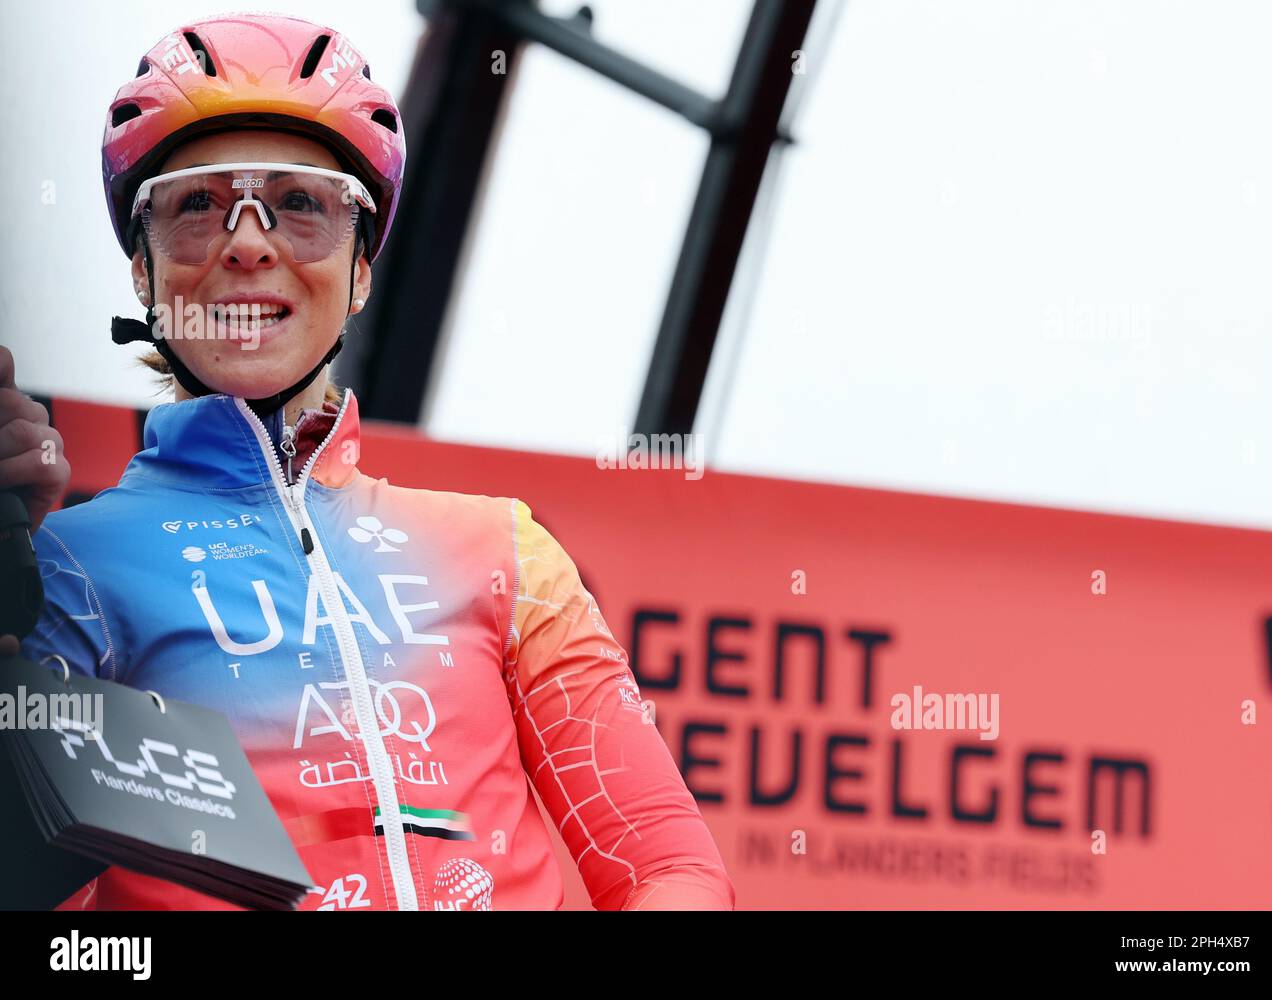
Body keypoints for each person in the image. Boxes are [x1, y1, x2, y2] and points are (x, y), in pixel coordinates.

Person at [1, 13, 733, 911]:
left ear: (360, 271)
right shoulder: (69, 565)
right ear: (144, 276)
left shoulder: (506, 550)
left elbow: (672, 871)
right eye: (196, 203)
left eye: (303, 203)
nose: (248, 242)